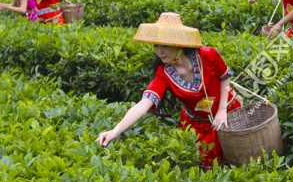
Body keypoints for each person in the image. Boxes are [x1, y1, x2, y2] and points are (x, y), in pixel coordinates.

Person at [95, 12, 242, 171]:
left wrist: (221, 111)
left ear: (178, 43)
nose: (159, 51)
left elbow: (225, 77)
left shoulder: (207, 55)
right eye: (156, 46)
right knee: (211, 172)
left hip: (228, 112)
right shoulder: (164, 74)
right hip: (199, 124)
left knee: (241, 161)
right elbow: (143, 105)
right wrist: (115, 131)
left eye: (164, 45)